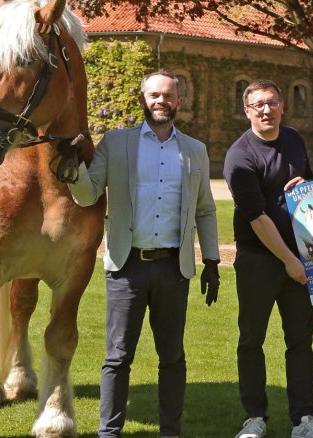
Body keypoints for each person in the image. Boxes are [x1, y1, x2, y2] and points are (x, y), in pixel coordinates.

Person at [67, 70, 220, 438]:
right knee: (118, 358)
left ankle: (171, 431)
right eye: (154, 95)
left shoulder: (195, 150)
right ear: (143, 100)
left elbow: (204, 209)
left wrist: (211, 261)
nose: (161, 101)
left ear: (178, 101)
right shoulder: (116, 143)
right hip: (126, 267)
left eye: (168, 95)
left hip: (174, 269)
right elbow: (87, 195)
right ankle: (109, 433)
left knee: (172, 357)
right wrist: (71, 167)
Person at [223, 79, 313, 438]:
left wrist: (305, 187)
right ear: (247, 111)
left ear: (282, 105)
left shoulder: (294, 140)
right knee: (252, 339)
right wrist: (289, 261)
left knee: (300, 341)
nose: (266, 110)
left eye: (271, 102)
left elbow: (311, 188)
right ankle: (255, 418)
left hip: (299, 258)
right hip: (259, 260)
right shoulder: (240, 155)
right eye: (258, 105)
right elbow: (257, 218)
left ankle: (303, 420)